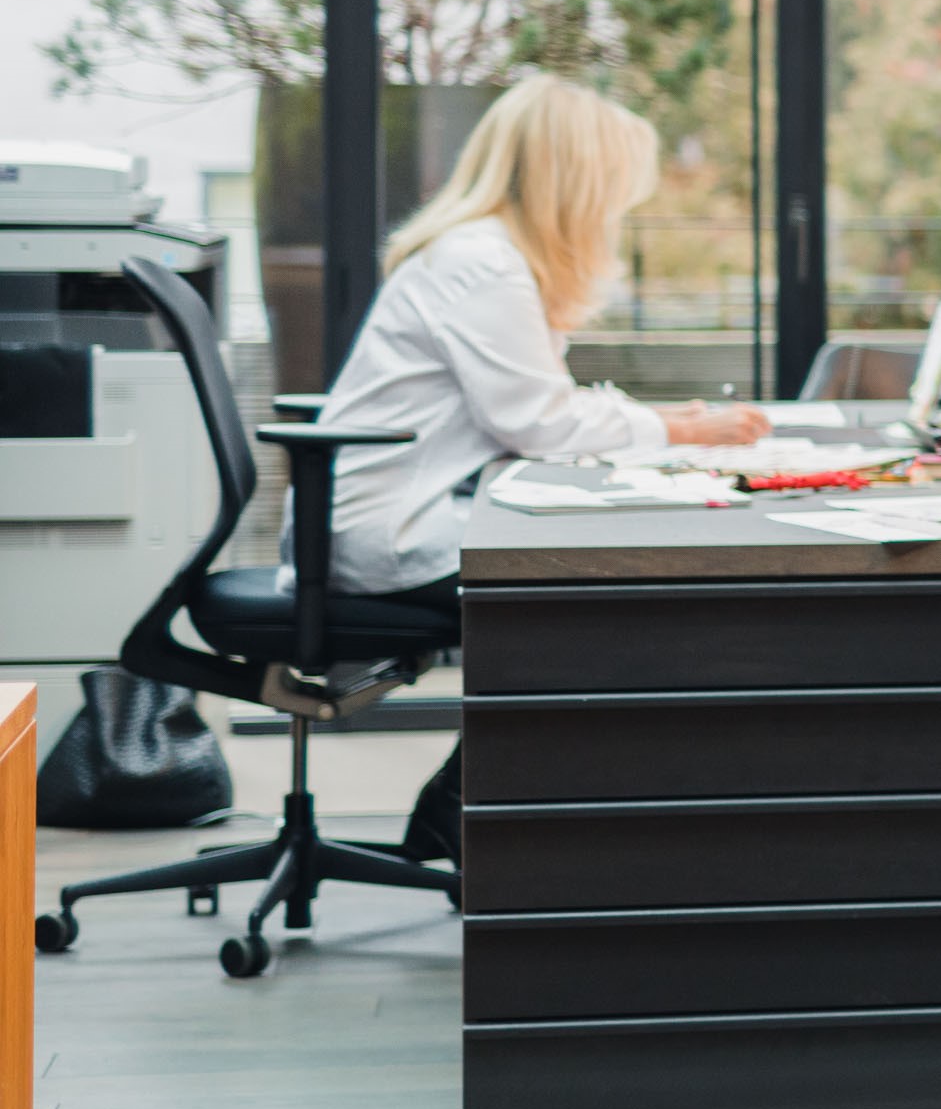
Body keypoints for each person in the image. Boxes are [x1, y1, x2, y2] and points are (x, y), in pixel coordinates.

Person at [319, 76, 769, 855]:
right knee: (593, 603)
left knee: (594, 593)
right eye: (612, 188)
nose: (615, 209)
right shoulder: (483, 263)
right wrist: (674, 426)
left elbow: (536, 404)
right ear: (575, 182)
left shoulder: (482, 253)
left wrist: (665, 423)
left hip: (404, 512)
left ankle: (476, 811)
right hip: (390, 534)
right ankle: (474, 813)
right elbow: (539, 421)